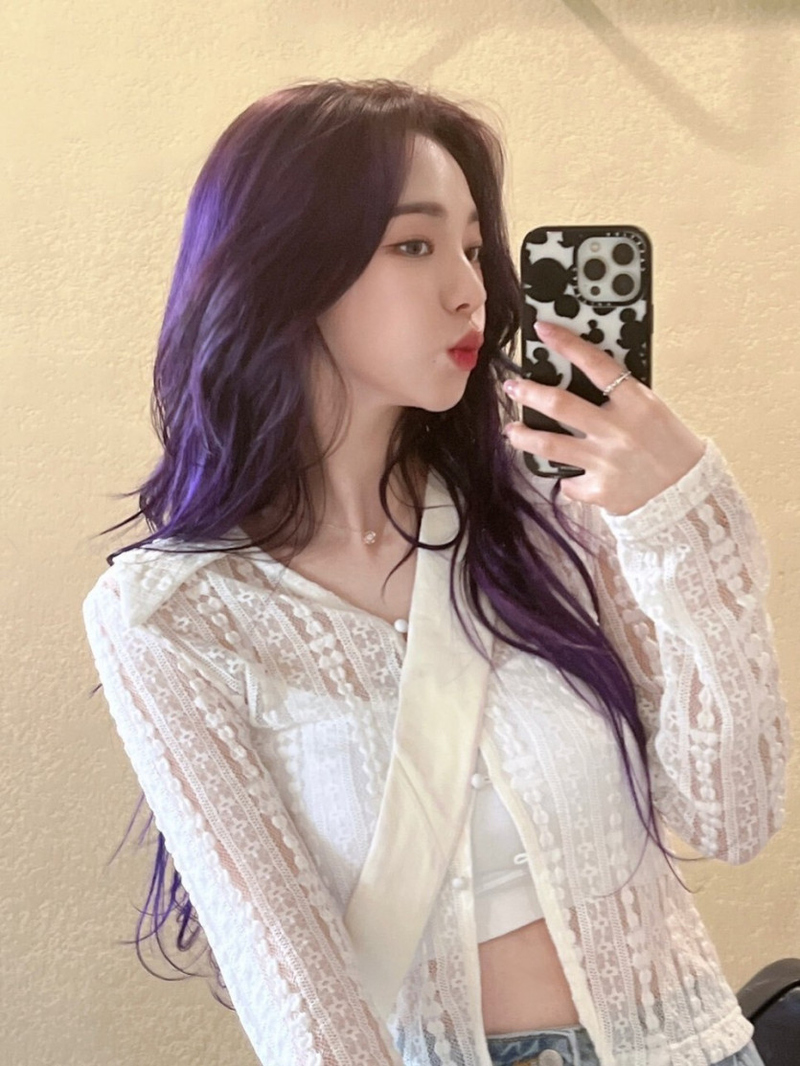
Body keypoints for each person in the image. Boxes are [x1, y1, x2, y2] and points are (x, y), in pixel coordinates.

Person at [82, 77, 789, 1066]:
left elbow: (730, 816)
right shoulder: (171, 614)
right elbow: (291, 985)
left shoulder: (555, 518)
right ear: (285, 268)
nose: (471, 290)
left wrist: (687, 533)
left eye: (472, 245)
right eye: (414, 245)